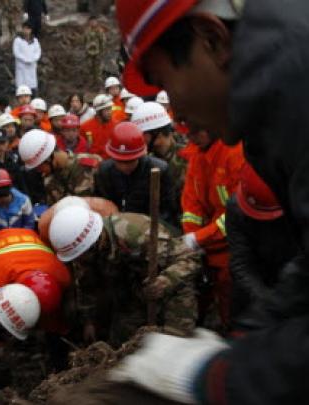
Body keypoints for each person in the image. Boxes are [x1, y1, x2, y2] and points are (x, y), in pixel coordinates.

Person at [95, 2, 309, 403]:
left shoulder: (294, 99)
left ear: (212, 38)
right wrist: (251, 337)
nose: (176, 112)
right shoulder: (274, 97)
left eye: (165, 81)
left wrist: (217, 377)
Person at [48, 204, 200, 347]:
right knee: (122, 346)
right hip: (135, 292)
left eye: (81, 256)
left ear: (95, 243)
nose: (79, 261)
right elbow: (88, 286)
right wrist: (90, 321)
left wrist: (166, 281)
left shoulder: (136, 232)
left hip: (174, 286)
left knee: (174, 344)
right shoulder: (83, 254)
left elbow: (190, 258)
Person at [181, 128, 245, 329]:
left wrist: (199, 238)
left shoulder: (235, 154)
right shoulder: (197, 155)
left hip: (235, 247)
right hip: (209, 246)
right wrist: (191, 234)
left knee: (233, 304)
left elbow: (239, 215)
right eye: (189, 132)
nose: (192, 137)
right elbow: (192, 202)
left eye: (197, 131)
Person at [227, 163, 298, 330]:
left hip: (294, 279)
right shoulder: (236, 208)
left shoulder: (299, 203)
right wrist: (269, 303)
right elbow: (241, 263)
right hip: (254, 289)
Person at [94, 122, 177, 227]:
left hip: (149, 229)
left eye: (129, 161)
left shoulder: (160, 170)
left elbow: (169, 212)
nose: (124, 167)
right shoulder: (103, 172)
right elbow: (101, 204)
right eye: (119, 161)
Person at [131, 101, 186, 226]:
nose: (138, 139)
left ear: (158, 134)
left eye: (142, 135)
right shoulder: (145, 161)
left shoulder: (188, 158)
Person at [19, 129, 96, 205]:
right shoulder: (49, 179)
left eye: (39, 167)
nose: (39, 171)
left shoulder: (85, 165)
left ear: (49, 158)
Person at [0, 169, 35, 236]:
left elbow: (29, 226)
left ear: (9, 191)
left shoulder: (24, 201)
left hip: (22, 240)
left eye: (2, 196)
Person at [79, 94, 119, 159]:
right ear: (98, 111)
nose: (110, 112)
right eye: (106, 110)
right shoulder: (85, 127)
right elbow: (81, 149)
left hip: (112, 162)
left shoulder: (117, 126)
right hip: (93, 163)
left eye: (110, 108)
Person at [13, 22, 41, 95]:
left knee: (32, 87)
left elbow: (38, 52)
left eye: (28, 29)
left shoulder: (35, 41)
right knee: (21, 88)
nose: (26, 31)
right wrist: (25, 59)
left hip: (31, 66)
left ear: (31, 30)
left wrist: (32, 59)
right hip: (21, 66)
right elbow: (16, 52)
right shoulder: (17, 40)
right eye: (24, 29)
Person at [84, 17, 107, 88]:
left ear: (96, 22)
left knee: (98, 69)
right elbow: (84, 40)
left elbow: (103, 41)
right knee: (90, 68)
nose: (92, 23)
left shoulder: (99, 31)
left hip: (97, 52)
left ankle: (98, 84)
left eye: (94, 21)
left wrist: (102, 51)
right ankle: (91, 84)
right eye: (91, 21)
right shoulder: (87, 31)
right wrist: (85, 49)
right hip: (89, 52)